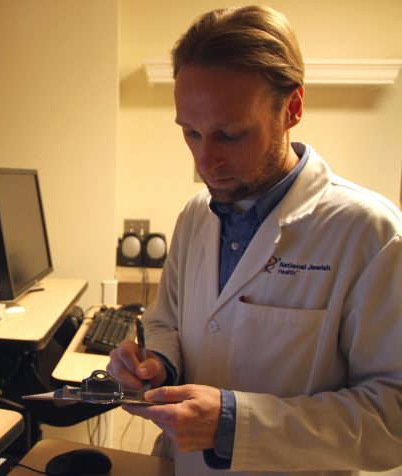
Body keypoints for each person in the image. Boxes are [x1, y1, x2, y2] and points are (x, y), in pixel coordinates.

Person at [106, 6, 402, 475]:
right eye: (191, 133)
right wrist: (158, 362)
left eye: (230, 134)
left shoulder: (370, 233)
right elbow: (166, 320)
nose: (206, 161)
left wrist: (235, 424)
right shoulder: (195, 215)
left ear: (293, 108)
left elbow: (393, 415)